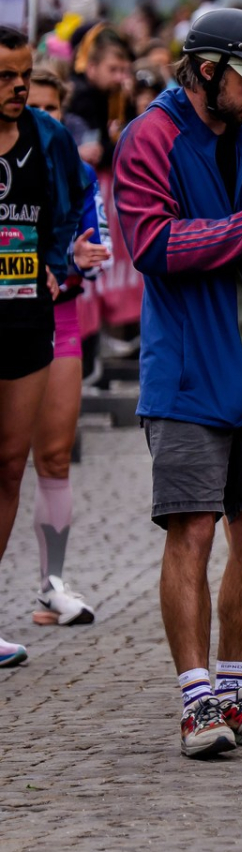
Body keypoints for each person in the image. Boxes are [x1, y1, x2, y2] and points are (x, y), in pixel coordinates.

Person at [114, 8, 242, 757]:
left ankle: (238, 689)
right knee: (193, 528)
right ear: (207, 71)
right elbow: (150, 243)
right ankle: (196, 700)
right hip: (187, 373)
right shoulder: (150, 137)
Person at [0, 33, 86, 667]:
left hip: (27, 315)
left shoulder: (45, 136)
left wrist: (55, 260)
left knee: (10, 464)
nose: (19, 88)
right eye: (6, 76)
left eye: (24, 76)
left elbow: (70, 202)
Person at [23, 69, 110, 630]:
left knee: (53, 457)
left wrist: (77, 262)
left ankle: (52, 584)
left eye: (55, 109)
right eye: (35, 108)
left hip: (58, 320)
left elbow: (95, 251)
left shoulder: (77, 173)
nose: (45, 120)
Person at [64, 26, 132, 168]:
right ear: (91, 68)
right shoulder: (83, 96)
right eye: (112, 69)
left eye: (123, 70)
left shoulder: (106, 93)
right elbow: (97, 151)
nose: (119, 77)